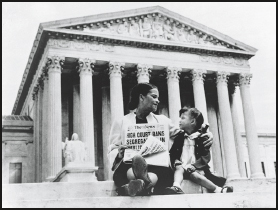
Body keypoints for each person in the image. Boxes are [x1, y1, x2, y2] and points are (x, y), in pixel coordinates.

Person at [107, 83, 213, 196]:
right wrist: (119, 154)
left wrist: (205, 133)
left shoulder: (163, 121)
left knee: (161, 171)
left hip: (156, 165)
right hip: (130, 164)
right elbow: (113, 148)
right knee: (128, 168)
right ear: (141, 97)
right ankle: (144, 182)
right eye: (154, 96)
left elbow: (185, 134)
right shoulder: (122, 122)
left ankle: (135, 186)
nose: (158, 100)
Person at [165, 107, 233, 194]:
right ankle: (176, 186)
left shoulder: (202, 138)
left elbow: (206, 156)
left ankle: (218, 189)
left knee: (195, 175)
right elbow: (173, 152)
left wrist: (195, 166)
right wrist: (176, 161)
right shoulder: (179, 137)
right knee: (179, 169)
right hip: (182, 166)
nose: (179, 120)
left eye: (183, 118)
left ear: (192, 121)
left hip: (196, 168)